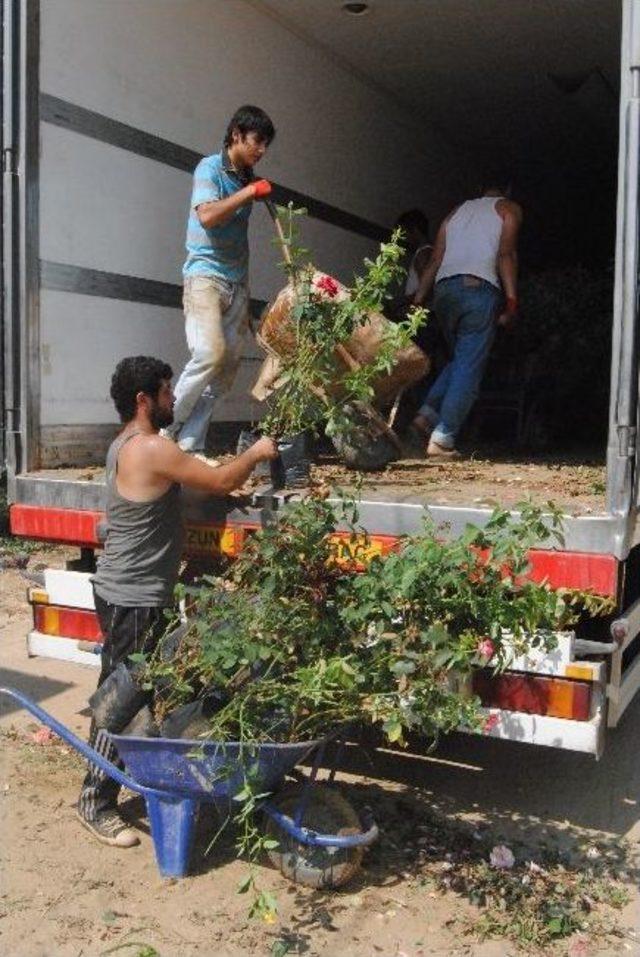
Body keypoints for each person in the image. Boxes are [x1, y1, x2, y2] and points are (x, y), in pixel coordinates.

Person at [77, 355, 277, 847]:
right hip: (135, 597)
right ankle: (94, 801)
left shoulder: (125, 445)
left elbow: (174, 494)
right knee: (121, 699)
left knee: (136, 691)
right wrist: (257, 452)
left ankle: (129, 780)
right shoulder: (148, 447)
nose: (173, 399)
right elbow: (224, 479)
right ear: (143, 400)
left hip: (130, 591)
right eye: (167, 392)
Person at [169, 105, 276, 455]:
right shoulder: (210, 168)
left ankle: (190, 443)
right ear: (236, 135)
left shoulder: (245, 178)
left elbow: (239, 243)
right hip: (205, 278)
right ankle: (164, 428)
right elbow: (209, 216)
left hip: (235, 285)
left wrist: (244, 297)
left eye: (265, 145)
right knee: (209, 354)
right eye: (257, 142)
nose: (261, 151)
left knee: (226, 371)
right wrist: (249, 194)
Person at [411, 177, 523, 458]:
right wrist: (511, 301)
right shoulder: (509, 208)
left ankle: (426, 415)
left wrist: (419, 299)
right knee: (469, 366)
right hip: (478, 289)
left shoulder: (456, 211)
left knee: (461, 359)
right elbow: (506, 254)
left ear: (479, 190)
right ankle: (443, 437)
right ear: (506, 190)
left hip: (444, 291)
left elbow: (436, 258)